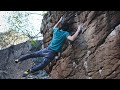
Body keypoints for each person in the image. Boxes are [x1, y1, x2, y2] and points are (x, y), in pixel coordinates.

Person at [15, 16, 84, 77]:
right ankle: (30, 70)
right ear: (67, 30)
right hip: (51, 53)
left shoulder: (56, 30)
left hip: (47, 49)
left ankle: (19, 59)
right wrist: (78, 30)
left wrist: (59, 21)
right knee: (43, 64)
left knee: (32, 54)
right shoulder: (65, 33)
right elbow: (71, 39)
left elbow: (54, 27)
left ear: (61, 27)